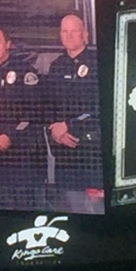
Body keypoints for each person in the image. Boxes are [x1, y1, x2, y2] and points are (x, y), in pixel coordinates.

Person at [0, 25, 44, 209]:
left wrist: (10, 135)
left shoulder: (24, 71)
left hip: (23, 152)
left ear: (8, 44)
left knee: (25, 206)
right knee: (0, 205)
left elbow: (35, 112)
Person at [47, 14, 101, 190]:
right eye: (64, 31)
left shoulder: (97, 62)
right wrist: (56, 131)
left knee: (93, 207)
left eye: (74, 31)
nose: (68, 36)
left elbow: (100, 107)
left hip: (90, 150)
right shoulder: (56, 66)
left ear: (85, 34)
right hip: (63, 151)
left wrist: (69, 126)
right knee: (69, 205)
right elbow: (48, 106)